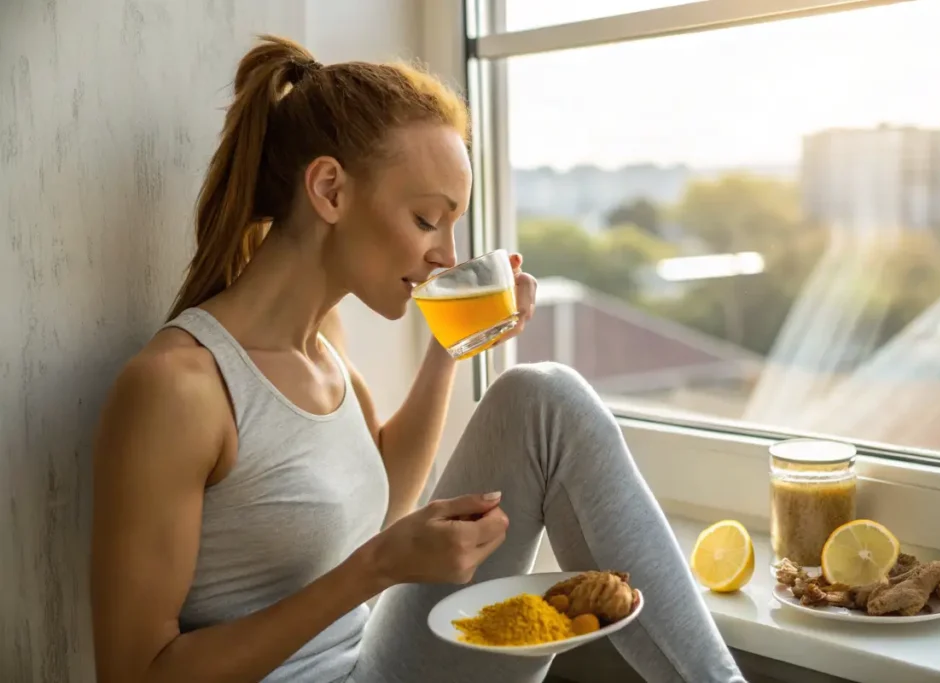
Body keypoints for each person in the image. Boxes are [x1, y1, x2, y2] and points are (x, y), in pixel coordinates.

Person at [89, 35, 746, 683]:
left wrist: (450, 346)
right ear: (330, 190)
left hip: (373, 661)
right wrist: (373, 569)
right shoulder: (178, 387)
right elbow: (135, 671)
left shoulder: (326, 345)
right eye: (429, 219)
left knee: (542, 397)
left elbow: (381, 506)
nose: (447, 255)